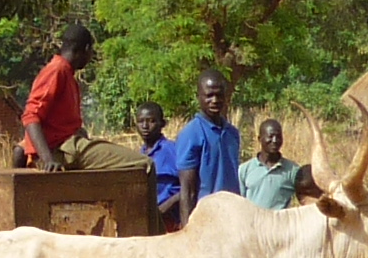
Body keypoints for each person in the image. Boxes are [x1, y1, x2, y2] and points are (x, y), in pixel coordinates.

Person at [19, 22, 142, 172]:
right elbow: (30, 116)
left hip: (69, 146)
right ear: (86, 49)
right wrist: (48, 160)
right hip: (63, 150)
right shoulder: (57, 70)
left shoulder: (67, 74)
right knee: (144, 164)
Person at [169, 68, 244, 224]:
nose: (215, 100)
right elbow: (187, 191)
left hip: (233, 217)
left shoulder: (232, 134)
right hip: (206, 220)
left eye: (219, 95)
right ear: (199, 97)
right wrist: (188, 231)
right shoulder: (191, 134)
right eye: (209, 95)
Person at [242, 115, 316, 210]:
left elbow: (305, 200)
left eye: (278, 136)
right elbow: (239, 202)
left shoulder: (292, 170)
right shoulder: (245, 170)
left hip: (280, 223)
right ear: (259, 139)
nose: (275, 141)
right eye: (270, 136)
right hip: (252, 223)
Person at [131, 102, 177, 228]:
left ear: (162, 124)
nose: (145, 126)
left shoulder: (171, 150)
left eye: (151, 121)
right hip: (148, 220)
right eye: (141, 121)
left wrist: (165, 207)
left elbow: (188, 186)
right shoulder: (139, 156)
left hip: (170, 220)